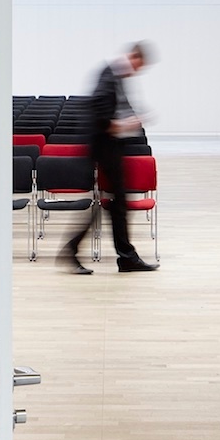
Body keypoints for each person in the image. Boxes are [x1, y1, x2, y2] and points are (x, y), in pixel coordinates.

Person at [60, 41, 159, 273]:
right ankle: (80, 251)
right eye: (139, 66)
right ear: (134, 58)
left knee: (114, 204)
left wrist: (130, 121)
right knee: (108, 204)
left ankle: (124, 257)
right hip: (103, 147)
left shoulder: (117, 74)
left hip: (110, 147)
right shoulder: (110, 75)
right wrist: (124, 125)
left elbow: (116, 108)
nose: (137, 71)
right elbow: (100, 112)